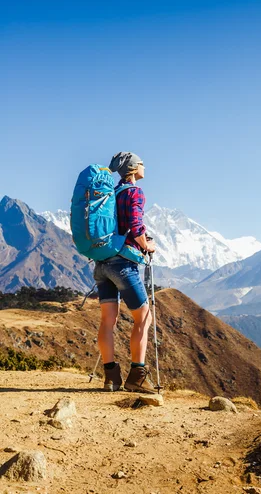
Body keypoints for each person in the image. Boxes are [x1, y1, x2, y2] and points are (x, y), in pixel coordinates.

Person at [93, 151, 157, 393]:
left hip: (102, 264)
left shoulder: (111, 193)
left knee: (107, 321)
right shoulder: (134, 192)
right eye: (142, 163)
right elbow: (135, 224)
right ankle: (137, 376)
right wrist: (147, 244)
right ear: (133, 168)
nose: (145, 167)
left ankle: (111, 377)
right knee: (144, 317)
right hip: (123, 264)